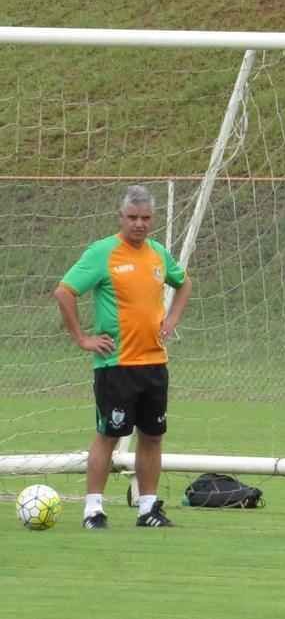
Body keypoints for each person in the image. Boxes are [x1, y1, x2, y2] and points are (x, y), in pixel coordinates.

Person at [53, 185, 192, 529]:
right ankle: (93, 510)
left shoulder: (158, 253)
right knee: (109, 434)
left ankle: (148, 509)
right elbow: (64, 291)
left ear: (153, 219)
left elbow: (184, 283)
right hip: (116, 365)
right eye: (133, 218)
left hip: (155, 363)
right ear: (121, 217)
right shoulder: (103, 253)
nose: (139, 224)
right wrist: (82, 338)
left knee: (153, 435)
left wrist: (172, 319)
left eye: (145, 218)